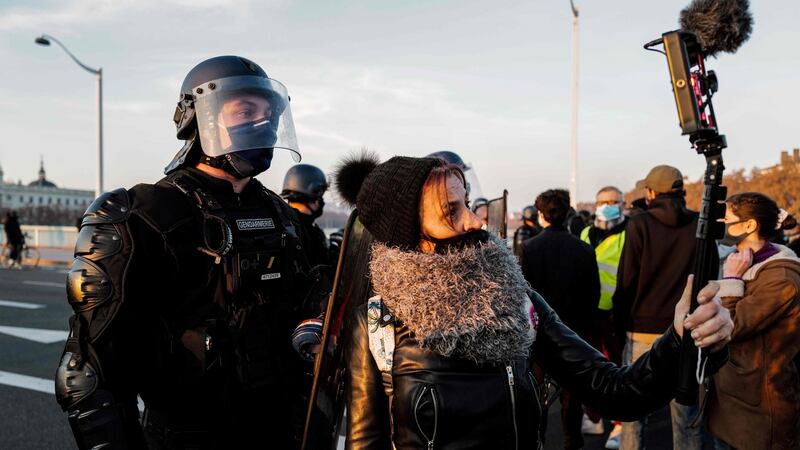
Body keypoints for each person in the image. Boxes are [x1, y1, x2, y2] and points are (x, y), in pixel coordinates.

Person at [335, 154, 732, 450]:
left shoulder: (516, 300)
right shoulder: (377, 322)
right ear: (409, 235)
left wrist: (682, 337)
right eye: (451, 212)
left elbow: (615, 390)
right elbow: (364, 440)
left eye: (469, 204)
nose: (475, 221)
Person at [55, 55, 314, 450]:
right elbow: (87, 372)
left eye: (268, 113)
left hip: (279, 429)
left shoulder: (279, 214)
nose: (261, 123)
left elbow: (303, 306)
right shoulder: (140, 214)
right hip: (186, 434)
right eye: (244, 110)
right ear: (201, 119)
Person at [613, 165, 718, 450]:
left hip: (642, 330)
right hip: (687, 330)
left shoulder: (639, 224)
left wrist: (620, 325)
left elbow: (626, 281)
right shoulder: (700, 223)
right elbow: (711, 278)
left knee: (634, 414)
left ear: (650, 193)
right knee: (687, 417)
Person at [707, 192, 800, 450]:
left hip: (759, 407)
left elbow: (731, 326)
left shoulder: (781, 277)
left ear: (749, 225)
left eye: (725, 219)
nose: (720, 225)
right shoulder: (741, 260)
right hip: (734, 397)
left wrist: (732, 281)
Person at [520, 189, 600, 450]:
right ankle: (572, 442)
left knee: (537, 393)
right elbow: (593, 295)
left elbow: (524, 296)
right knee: (572, 396)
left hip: (540, 336)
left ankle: (538, 441)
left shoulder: (529, 248)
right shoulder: (584, 250)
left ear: (541, 215)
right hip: (574, 332)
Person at [580, 185, 628, 448]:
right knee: (590, 367)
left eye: (613, 201)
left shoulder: (629, 233)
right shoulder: (587, 232)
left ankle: (620, 424)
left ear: (622, 204)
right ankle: (594, 416)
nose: (607, 205)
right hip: (590, 312)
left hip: (615, 314)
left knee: (619, 368)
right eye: (603, 201)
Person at [281, 163, 331, 269]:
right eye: (319, 197)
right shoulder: (304, 232)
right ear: (311, 197)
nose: (321, 201)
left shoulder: (286, 225)